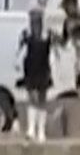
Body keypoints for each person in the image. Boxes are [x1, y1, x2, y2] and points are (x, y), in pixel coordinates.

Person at [18, 8, 55, 142]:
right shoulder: (26, 35)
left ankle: (41, 131)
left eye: (37, 19)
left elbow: (53, 50)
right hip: (30, 70)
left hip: (43, 69)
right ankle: (31, 129)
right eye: (32, 20)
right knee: (32, 98)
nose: (34, 22)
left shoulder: (47, 35)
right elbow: (20, 52)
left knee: (41, 100)